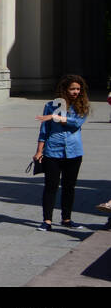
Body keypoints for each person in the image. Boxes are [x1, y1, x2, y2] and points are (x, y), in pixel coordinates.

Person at [34, 74, 89, 230]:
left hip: (74, 152)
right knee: (50, 186)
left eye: (78, 89)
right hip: (53, 151)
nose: (76, 92)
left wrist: (54, 117)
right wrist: (39, 151)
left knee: (69, 187)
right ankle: (47, 220)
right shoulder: (50, 105)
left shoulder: (82, 105)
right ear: (65, 89)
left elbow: (76, 123)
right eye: (72, 89)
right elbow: (44, 130)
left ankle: (66, 219)